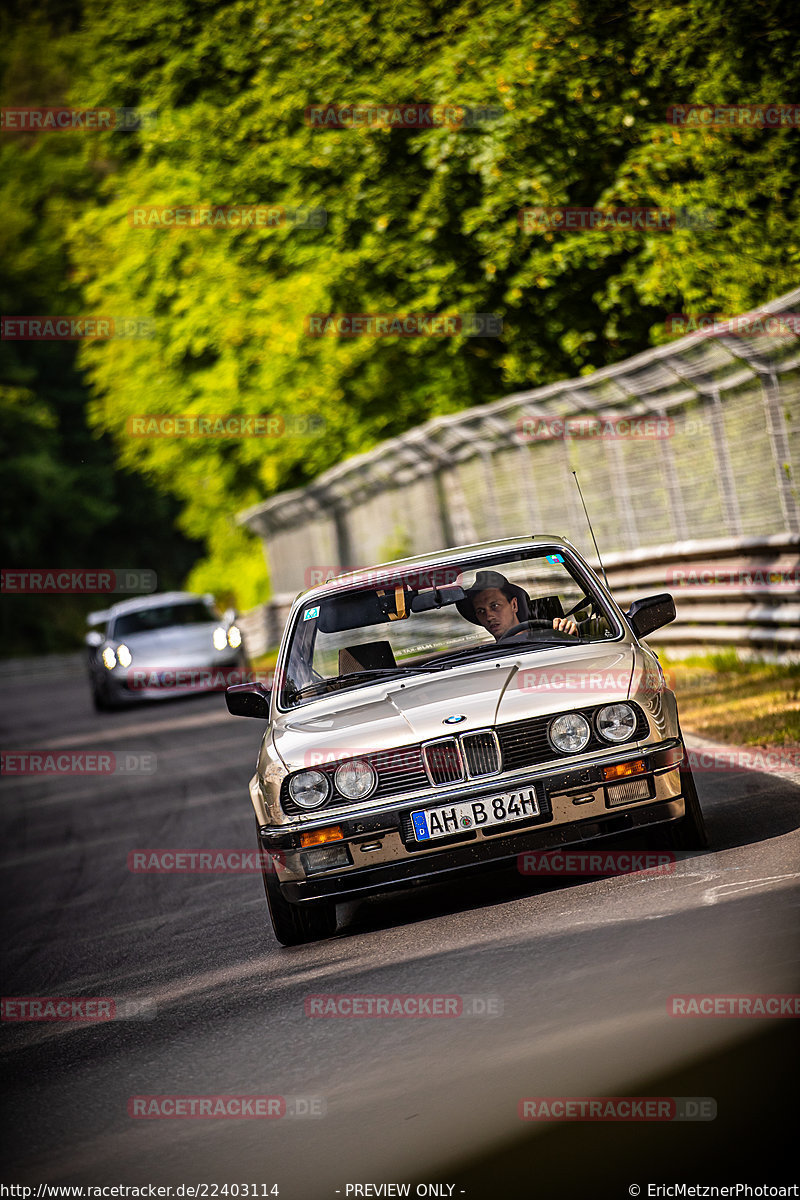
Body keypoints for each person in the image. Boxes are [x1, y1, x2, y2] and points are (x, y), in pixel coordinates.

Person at [456, 570, 579, 641]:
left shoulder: (550, 637)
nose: (489, 617)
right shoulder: (488, 657)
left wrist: (568, 633)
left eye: (495, 606)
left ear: (514, 605)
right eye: (481, 611)